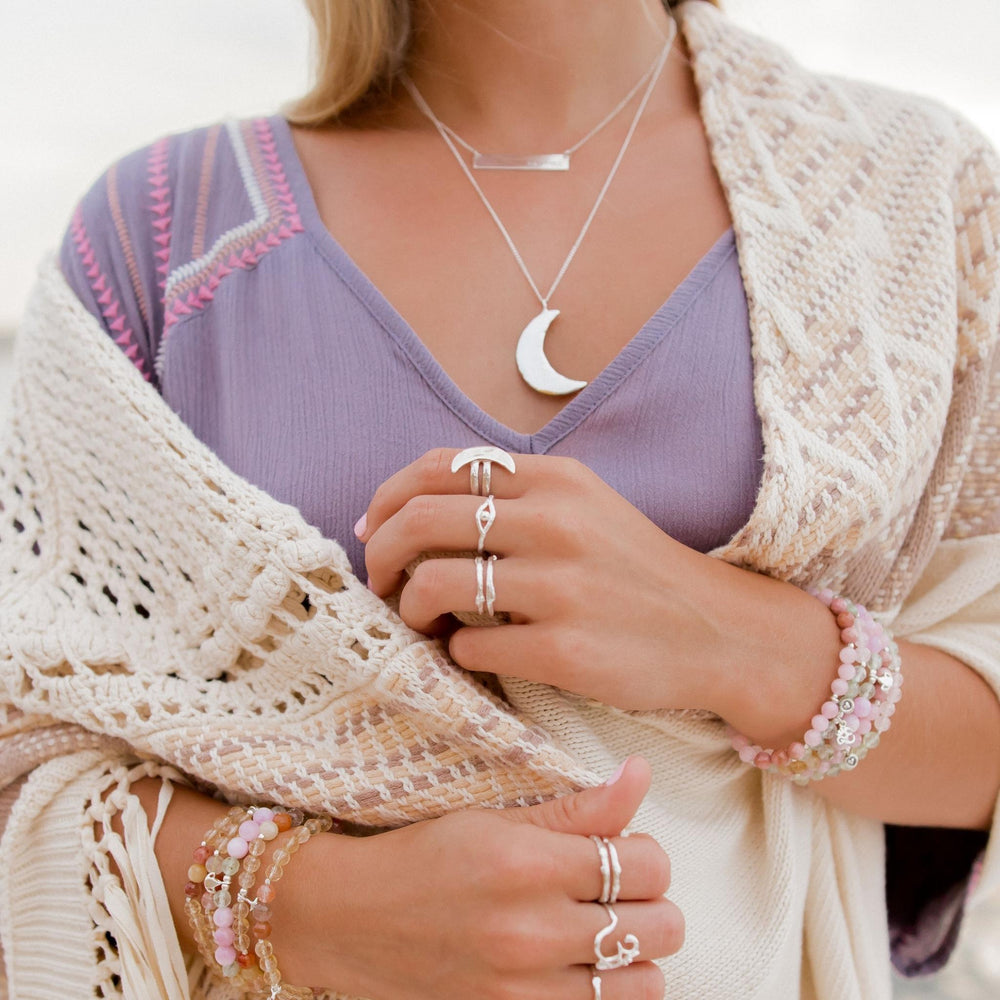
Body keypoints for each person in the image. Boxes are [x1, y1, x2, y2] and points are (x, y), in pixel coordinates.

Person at [1, 1, 998, 998]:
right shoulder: (163, 237)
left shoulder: (911, 197)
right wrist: (301, 901)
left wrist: (734, 641)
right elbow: (20, 751)